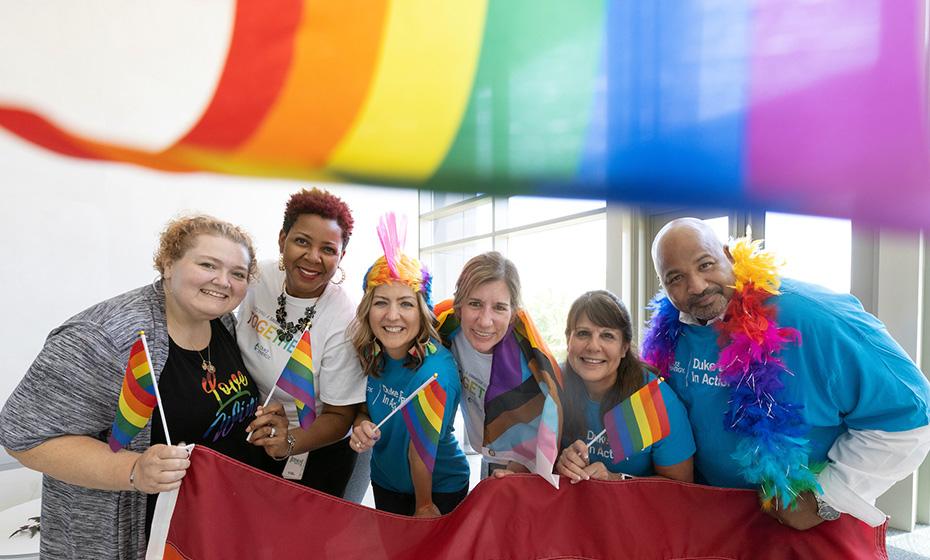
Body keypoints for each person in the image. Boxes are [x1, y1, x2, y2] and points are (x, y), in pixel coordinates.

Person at [0, 215, 278, 559]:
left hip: (203, 528)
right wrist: (132, 470)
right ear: (168, 263)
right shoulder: (101, 338)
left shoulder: (221, 322)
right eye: (208, 264)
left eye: (238, 274)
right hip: (128, 540)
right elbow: (23, 438)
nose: (223, 281)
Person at [643, 217, 930, 530]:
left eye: (706, 264)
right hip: (712, 517)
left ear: (728, 254)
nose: (696, 286)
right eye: (675, 278)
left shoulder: (812, 316)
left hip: (803, 520)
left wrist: (826, 498)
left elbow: (913, 411)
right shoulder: (668, 334)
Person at [236, 187, 368, 499]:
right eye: (302, 241)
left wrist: (288, 441)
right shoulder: (256, 278)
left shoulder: (344, 318)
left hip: (315, 449)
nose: (313, 257)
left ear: (341, 256)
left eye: (328, 249)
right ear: (283, 239)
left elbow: (339, 418)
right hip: (253, 432)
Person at [348, 215, 469, 516]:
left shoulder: (434, 373)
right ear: (367, 309)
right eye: (380, 302)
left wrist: (424, 505)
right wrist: (360, 424)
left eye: (405, 303)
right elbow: (366, 407)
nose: (392, 315)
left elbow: (420, 451)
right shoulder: (371, 350)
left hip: (437, 487)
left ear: (422, 311)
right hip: (386, 481)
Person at [436, 252, 562, 479]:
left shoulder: (532, 367)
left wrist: (521, 468)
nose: (485, 321)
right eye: (475, 304)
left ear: (513, 313)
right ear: (459, 307)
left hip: (525, 466)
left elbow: (556, 421)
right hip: (486, 456)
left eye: (499, 308)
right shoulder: (444, 329)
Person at [556, 290, 694, 483]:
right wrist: (560, 464)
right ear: (568, 340)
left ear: (624, 347)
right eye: (583, 333)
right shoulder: (553, 386)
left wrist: (616, 479)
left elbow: (681, 486)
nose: (593, 346)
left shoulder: (656, 401)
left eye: (607, 336)